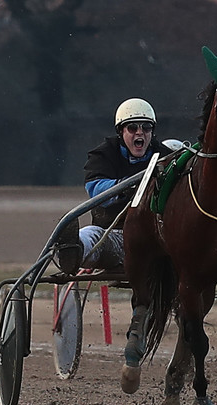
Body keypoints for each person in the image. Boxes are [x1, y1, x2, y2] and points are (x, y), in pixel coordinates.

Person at [56, 97, 173, 274]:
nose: (140, 133)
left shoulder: (167, 157)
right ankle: (73, 249)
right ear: (121, 131)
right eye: (133, 128)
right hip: (116, 234)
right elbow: (96, 190)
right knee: (93, 235)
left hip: (157, 238)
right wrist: (126, 187)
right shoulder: (104, 155)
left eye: (146, 128)